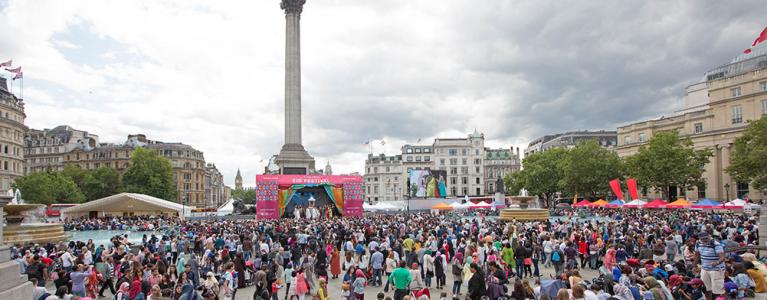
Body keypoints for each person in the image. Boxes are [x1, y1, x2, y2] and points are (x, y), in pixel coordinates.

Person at [695, 232, 725, 300]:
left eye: (706, 238)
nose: (705, 240)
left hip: (716, 269)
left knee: (718, 289)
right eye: (703, 239)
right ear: (700, 239)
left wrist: (717, 262)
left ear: (709, 237)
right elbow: (697, 255)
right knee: (706, 288)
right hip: (704, 269)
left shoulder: (716, 244)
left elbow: (722, 257)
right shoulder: (698, 244)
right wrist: (694, 265)